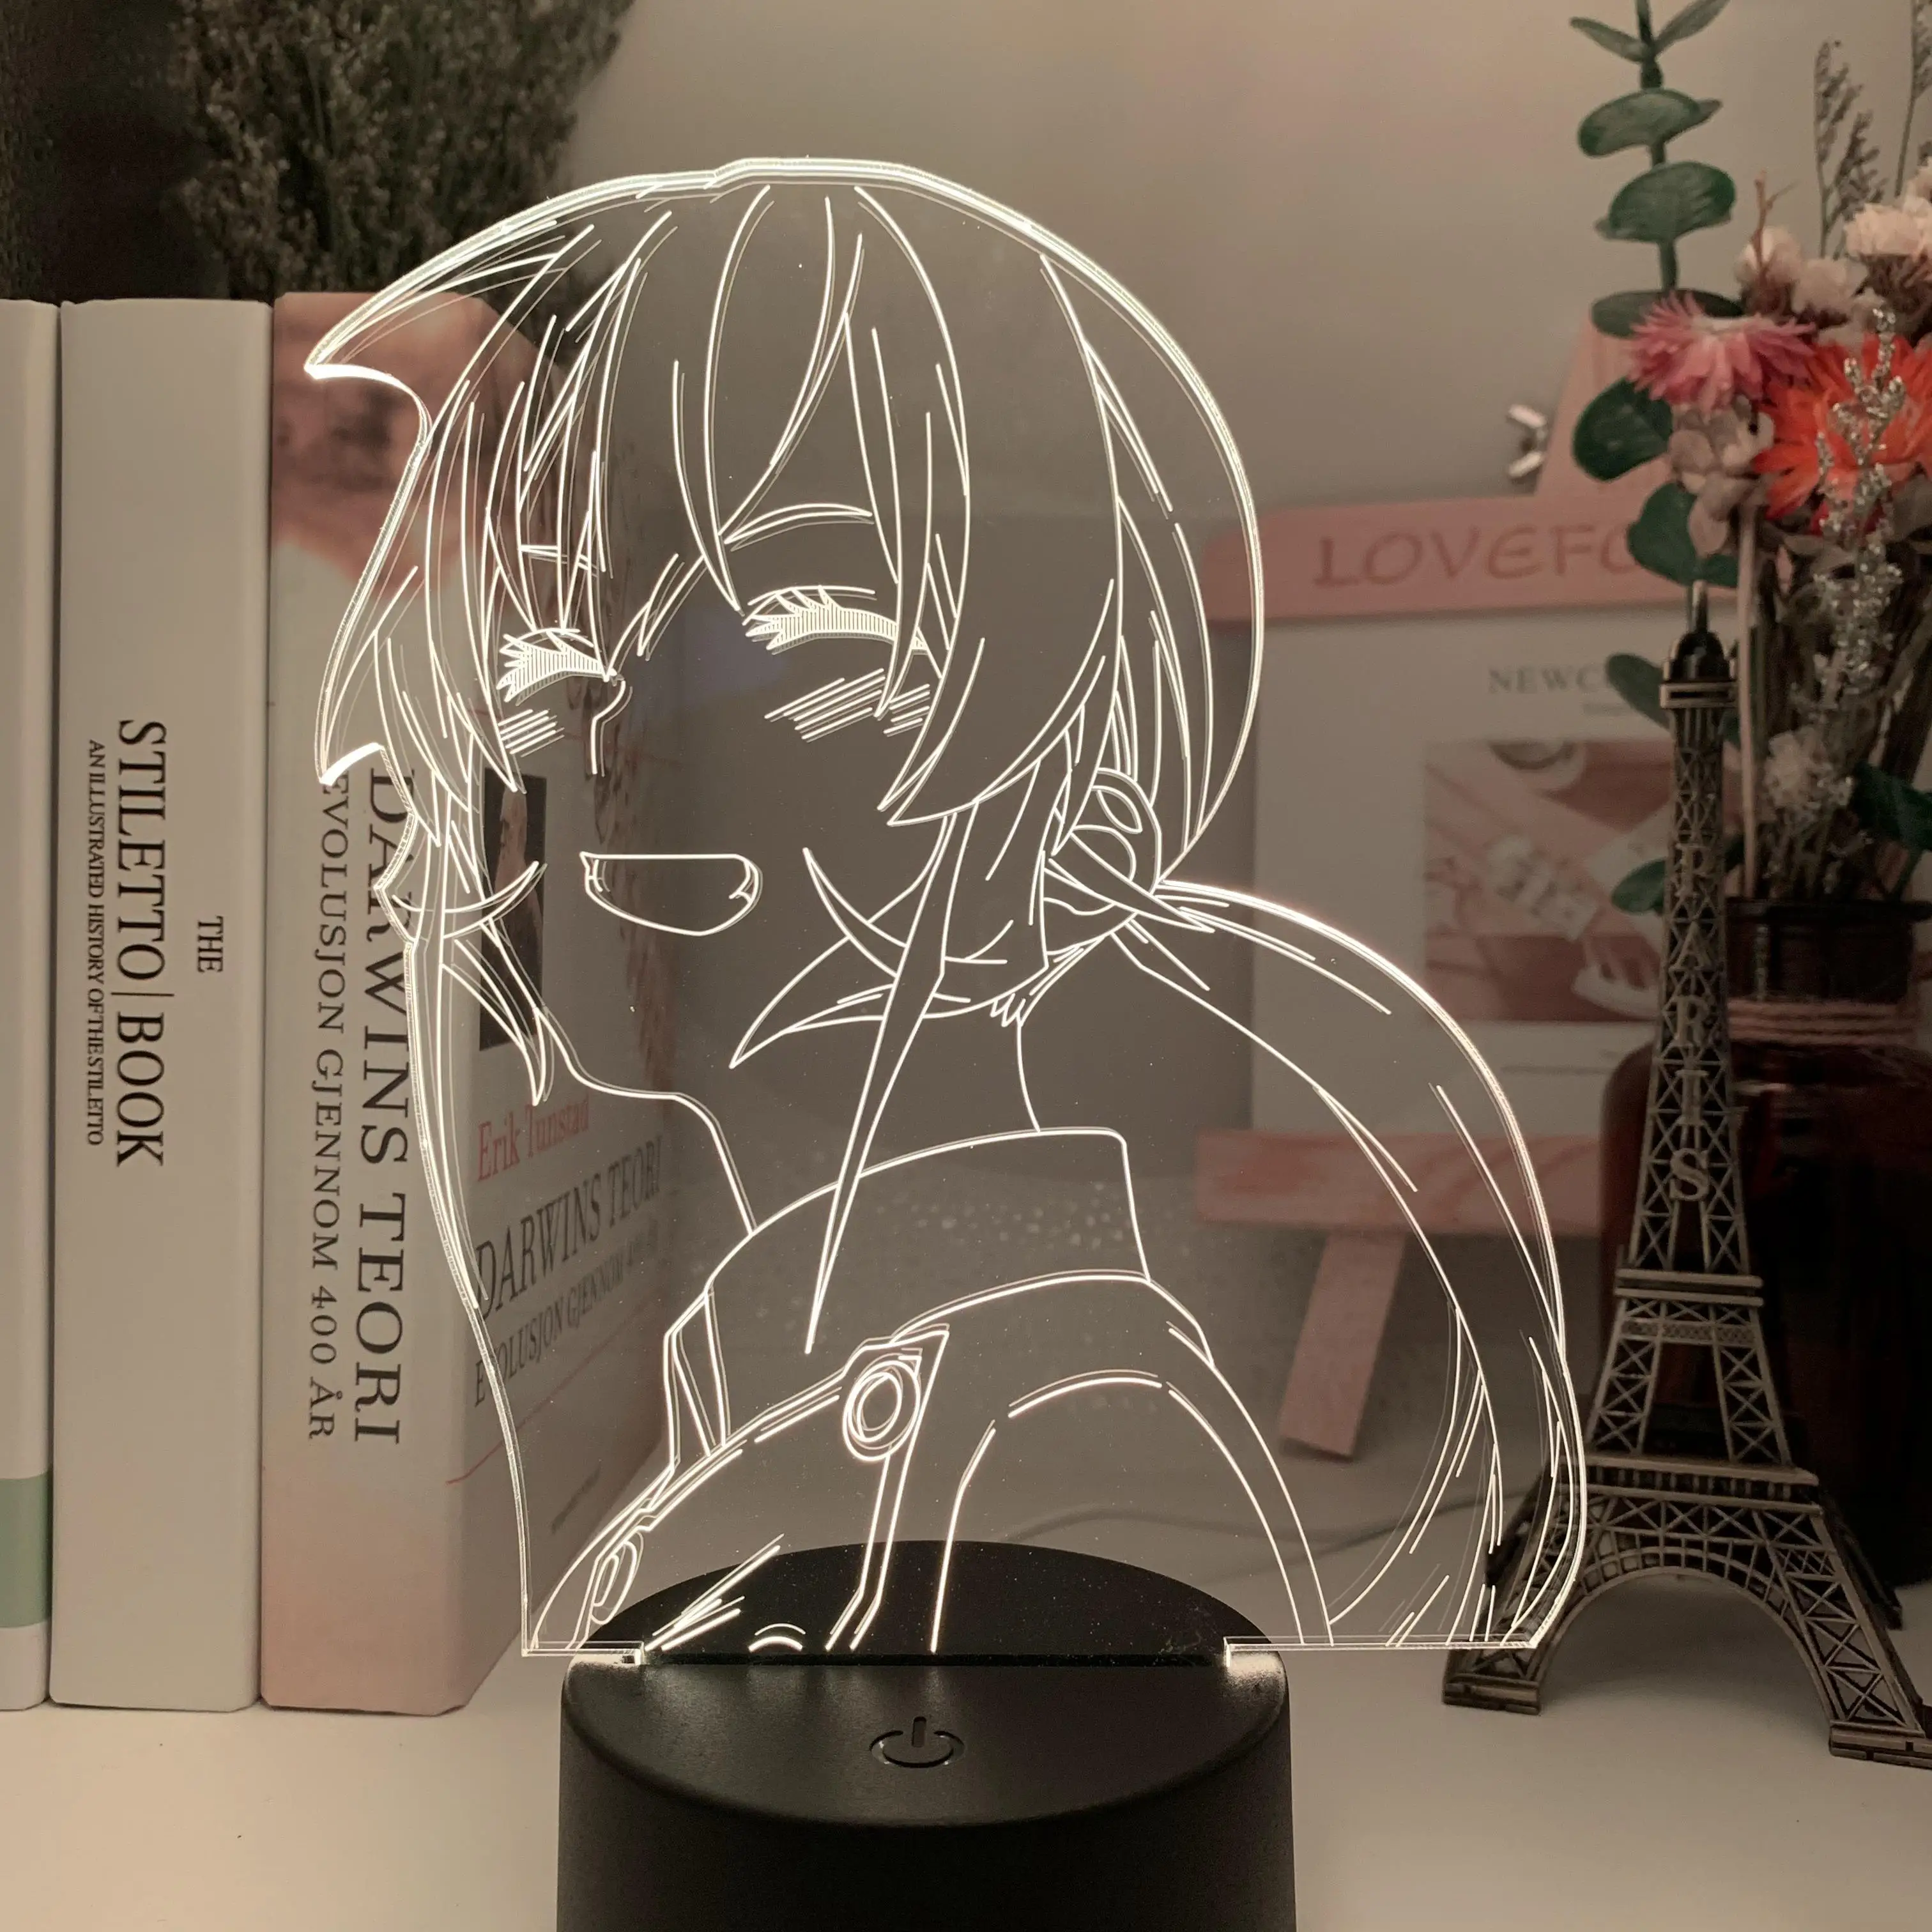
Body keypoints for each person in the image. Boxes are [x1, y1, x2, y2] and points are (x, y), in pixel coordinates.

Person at [312, 160, 1583, 1659]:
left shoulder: (1021, 1395)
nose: (612, 748)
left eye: (808, 643)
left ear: (1079, 759)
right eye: (554, 667)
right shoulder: (756, 1387)